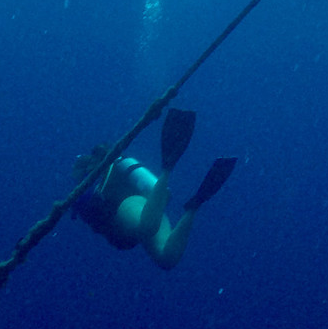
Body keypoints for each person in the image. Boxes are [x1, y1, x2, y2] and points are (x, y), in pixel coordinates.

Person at [72, 108, 237, 270]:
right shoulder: (108, 173)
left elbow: (89, 207)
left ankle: (168, 167)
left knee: (147, 228)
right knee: (167, 258)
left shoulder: (106, 173)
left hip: (128, 206)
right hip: (144, 209)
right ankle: (194, 205)